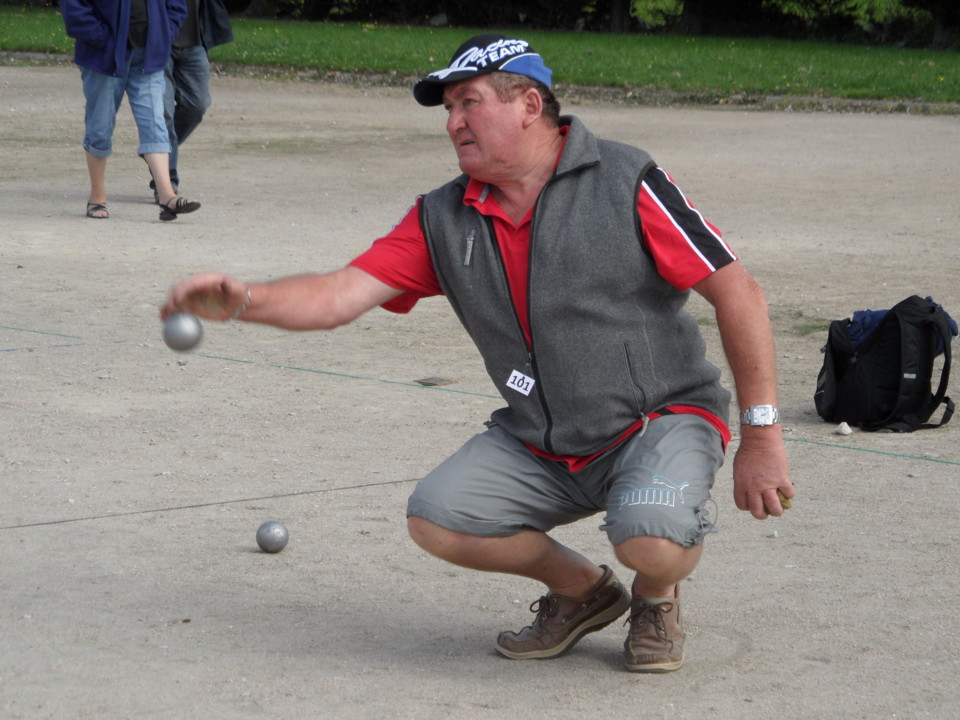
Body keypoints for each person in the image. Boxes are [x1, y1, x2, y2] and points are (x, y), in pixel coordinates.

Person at [161, 34, 793, 673]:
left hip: (657, 419)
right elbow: (337, 295)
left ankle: (655, 597)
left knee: (651, 542)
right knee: (438, 518)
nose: (454, 122)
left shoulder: (625, 179)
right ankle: (583, 592)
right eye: (448, 110)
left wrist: (761, 438)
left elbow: (737, 291)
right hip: (542, 438)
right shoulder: (443, 216)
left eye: (468, 102)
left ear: (527, 104)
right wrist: (247, 300)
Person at [61, 0, 201, 221]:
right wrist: (103, 39)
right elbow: (74, 9)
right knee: (100, 125)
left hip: (148, 55)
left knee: (155, 122)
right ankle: (97, 197)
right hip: (104, 57)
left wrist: (163, 35)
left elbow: (177, 6)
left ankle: (167, 196)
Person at [148, 0, 234, 202]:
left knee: (198, 105)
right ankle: (167, 183)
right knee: (164, 111)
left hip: (195, 42)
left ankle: (156, 148)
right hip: (158, 42)